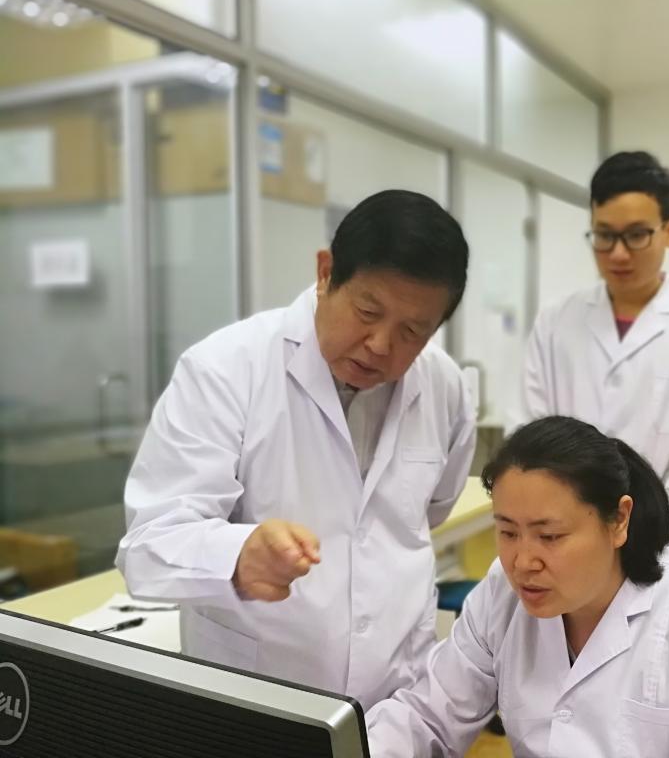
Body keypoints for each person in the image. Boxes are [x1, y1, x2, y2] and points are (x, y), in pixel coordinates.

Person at [116, 189, 477, 707]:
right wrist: (237, 555)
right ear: (326, 272)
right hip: (258, 697)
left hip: (398, 698)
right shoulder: (225, 368)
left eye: (412, 332)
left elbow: (433, 508)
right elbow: (149, 547)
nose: (380, 344)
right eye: (367, 311)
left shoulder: (445, 386)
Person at [366, 416, 669, 757]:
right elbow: (428, 717)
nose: (523, 563)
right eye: (508, 532)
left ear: (619, 520)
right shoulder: (501, 595)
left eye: (549, 536)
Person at [519, 151, 669, 563]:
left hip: (659, 550)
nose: (617, 253)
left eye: (636, 235)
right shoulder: (556, 321)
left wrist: (640, 539)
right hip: (561, 545)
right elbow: (531, 432)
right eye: (604, 235)